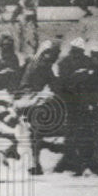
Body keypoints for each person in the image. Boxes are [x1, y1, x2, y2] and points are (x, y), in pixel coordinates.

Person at [55, 38, 98, 175]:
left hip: (72, 102)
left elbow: (62, 83)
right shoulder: (88, 62)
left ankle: (72, 162)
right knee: (85, 133)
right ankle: (83, 163)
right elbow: (96, 79)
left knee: (72, 133)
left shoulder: (64, 62)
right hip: (83, 102)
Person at [16, 39, 62, 175]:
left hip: (29, 98)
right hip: (30, 99)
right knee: (35, 130)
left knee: (33, 132)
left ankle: (34, 163)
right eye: (54, 54)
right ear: (46, 53)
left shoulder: (39, 63)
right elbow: (51, 83)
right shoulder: (40, 65)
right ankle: (34, 163)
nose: (55, 57)